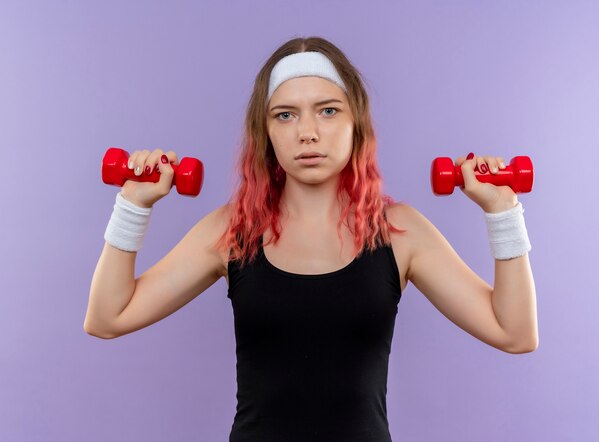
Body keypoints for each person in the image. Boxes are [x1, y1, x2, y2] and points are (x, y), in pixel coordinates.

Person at [85, 36, 538, 442]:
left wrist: (503, 211)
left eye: (328, 110)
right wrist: (133, 205)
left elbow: (515, 333)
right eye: (285, 115)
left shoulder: (401, 232)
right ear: (267, 133)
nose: (308, 132)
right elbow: (108, 317)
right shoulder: (232, 231)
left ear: (355, 121)